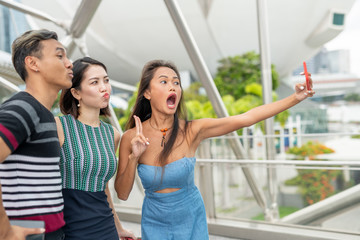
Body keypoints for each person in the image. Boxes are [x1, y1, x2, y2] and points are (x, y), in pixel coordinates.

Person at [114, 59, 315, 239]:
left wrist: (295, 98)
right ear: (147, 92)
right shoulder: (131, 137)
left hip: (191, 218)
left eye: (176, 82)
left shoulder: (192, 130)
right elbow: (122, 194)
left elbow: (246, 118)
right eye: (164, 81)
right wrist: (134, 157)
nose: (173, 87)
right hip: (155, 221)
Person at [0, 29, 73, 240]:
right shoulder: (23, 108)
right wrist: (5, 231)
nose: (69, 63)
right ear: (33, 63)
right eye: (59, 56)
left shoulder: (44, 114)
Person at [55, 57, 137, 240]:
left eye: (106, 80)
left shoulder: (113, 134)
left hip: (105, 227)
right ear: (76, 93)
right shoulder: (59, 126)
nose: (104, 87)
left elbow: (104, 187)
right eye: (95, 82)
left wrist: (119, 228)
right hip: (70, 229)